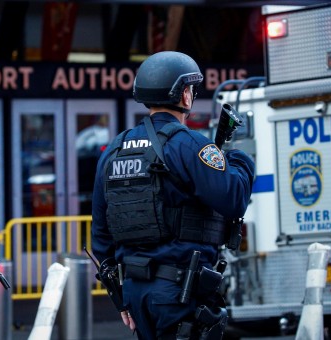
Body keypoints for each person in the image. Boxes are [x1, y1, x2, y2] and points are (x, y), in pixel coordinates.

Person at [91, 51, 255, 339]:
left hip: (135, 292)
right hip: (179, 290)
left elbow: (101, 231)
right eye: (190, 88)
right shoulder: (189, 144)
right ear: (184, 96)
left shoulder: (115, 149)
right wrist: (240, 158)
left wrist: (120, 298)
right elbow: (234, 198)